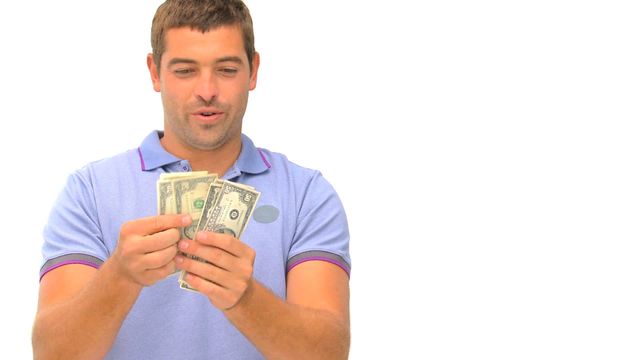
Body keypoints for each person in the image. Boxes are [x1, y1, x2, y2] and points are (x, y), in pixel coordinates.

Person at [31, 1, 351, 359]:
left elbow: (329, 352)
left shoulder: (307, 194)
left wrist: (245, 299)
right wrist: (119, 276)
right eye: (185, 70)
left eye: (227, 69)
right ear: (155, 72)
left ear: (254, 70)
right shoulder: (89, 192)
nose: (207, 90)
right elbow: (52, 353)